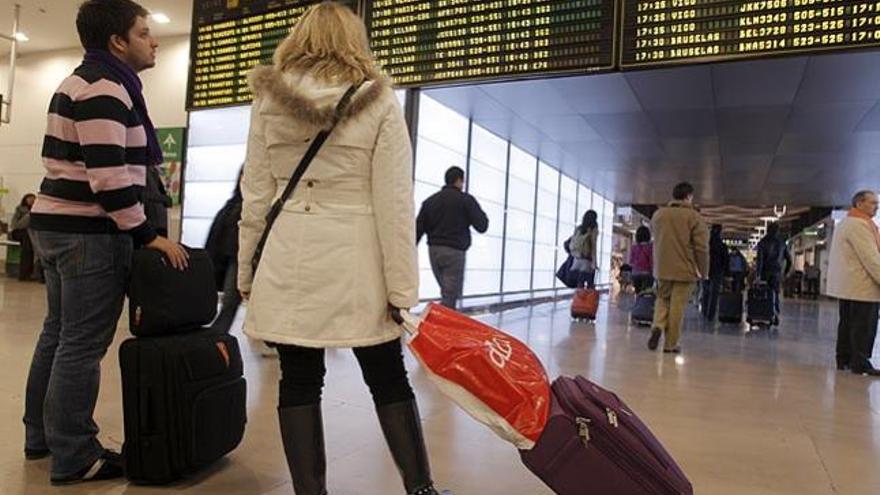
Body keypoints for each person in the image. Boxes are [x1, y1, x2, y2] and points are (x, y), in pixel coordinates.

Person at [237, 4, 451, 494]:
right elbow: (395, 203)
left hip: (288, 255)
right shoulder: (377, 101)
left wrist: (247, 270)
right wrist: (402, 288)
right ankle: (420, 489)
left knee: (298, 379)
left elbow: (256, 193)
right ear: (356, 40)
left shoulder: (267, 100)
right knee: (387, 375)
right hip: (356, 259)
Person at [22, 0, 188, 484]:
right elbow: (109, 175)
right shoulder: (106, 88)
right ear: (118, 41)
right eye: (143, 32)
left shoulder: (80, 81)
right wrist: (147, 235)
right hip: (87, 232)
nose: (152, 40)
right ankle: (74, 454)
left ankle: (42, 437)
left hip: (57, 225)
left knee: (58, 336)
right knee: (80, 344)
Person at [648, 182, 709, 354]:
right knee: (677, 306)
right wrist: (703, 271)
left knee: (662, 298)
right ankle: (670, 344)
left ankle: (658, 325)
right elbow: (701, 248)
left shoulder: (658, 215)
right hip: (685, 269)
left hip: (662, 268)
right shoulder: (694, 217)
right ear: (689, 196)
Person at [416, 166, 488, 309]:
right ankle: (442, 326)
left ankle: (442, 322)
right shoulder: (465, 200)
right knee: (450, 296)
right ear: (460, 181)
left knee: (446, 292)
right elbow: (482, 225)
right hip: (454, 253)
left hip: (434, 251)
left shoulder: (430, 201)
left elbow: (418, 229)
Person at [827, 191, 880, 376]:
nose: (876, 206)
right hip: (862, 286)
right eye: (872, 202)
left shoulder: (846, 223)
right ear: (859, 203)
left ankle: (844, 360)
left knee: (848, 323)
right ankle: (860, 362)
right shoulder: (860, 225)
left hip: (850, 285)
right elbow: (871, 258)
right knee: (863, 326)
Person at [205, 171, 243, 335]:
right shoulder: (233, 205)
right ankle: (215, 337)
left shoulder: (239, 206)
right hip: (232, 258)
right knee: (230, 302)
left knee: (230, 303)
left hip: (239, 259)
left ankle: (215, 337)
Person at [755, 222, 793, 326]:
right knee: (775, 294)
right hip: (777, 273)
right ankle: (775, 315)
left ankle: (765, 314)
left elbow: (760, 260)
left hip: (765, 273)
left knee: (764, 295)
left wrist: (758, 275)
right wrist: (785, 273)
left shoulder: (763, 242)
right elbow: (789, 260)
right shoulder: (782, 243)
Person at [701, 224, 729, 321]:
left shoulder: (706, 244)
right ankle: (710, 315)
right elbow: (725, 260)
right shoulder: (722, 246)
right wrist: (726, 273)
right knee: (714, 294)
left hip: (705, 270)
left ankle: (704, 311)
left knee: (705, 292)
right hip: (717, 272)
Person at [570, 210, 600, 289]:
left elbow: (573, 243)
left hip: (577, 260)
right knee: (590, 285)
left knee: (580, 284)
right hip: (587, 262)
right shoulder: (593, 229)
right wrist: (594, 263)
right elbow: (593, 247)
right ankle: (588, 301)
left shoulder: (579, 228)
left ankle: (579, 301)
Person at [10, 193, 36, 281]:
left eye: (33, 199)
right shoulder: (20, 209)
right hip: (18, 232)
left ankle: (28, 273)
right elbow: (15, 225)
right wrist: (28, 216)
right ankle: (24, 273)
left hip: (31, 235)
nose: (32, 201)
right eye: (30, 199)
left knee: (29, 245)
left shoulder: (37, 211)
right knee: (27, 243)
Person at [629, 225, 654, 293]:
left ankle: (638, 303)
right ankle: (644, 303)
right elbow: (652, 261)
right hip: (647, 274)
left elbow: (631, 262)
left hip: (635, 274)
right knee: (646, 293)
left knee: (638, 293)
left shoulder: (634, 247)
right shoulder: (650, 247)